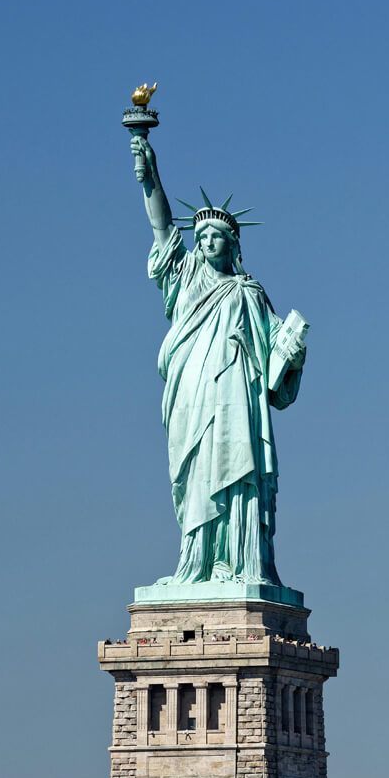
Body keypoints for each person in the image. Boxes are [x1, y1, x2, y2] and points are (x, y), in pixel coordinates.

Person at [129, 132, 307, 587]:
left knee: (234, 470)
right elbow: (161, 228)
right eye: (202, 236)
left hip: (234, 404)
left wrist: (292, 351)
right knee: (194, 475)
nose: (206, 243)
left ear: (233, 246)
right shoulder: (185, 276)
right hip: (190, 394)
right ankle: (197, 564)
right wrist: (150, 176)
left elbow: (272, 365)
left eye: (216, 237)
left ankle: (240, 562)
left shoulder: (248, 293)